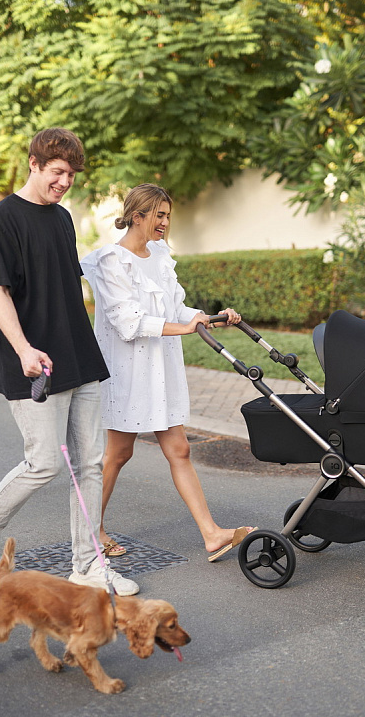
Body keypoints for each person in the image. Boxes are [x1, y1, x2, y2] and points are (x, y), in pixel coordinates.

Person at [0, 128, 139, 596]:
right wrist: (23, 349)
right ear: (33, 163)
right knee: (44, 463)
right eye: (57, 171)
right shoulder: (1, 221)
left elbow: (65, 288)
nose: (65, 182)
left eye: (71, 174)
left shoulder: (62, 218)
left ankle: (87, 565)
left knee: (90, 464)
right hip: (32, 361)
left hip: (78, 356)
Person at [81, 184, 254, 562]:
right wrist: (184, 327)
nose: (165, 223)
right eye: (159, 215)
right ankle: (89, 531)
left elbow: (178, 307)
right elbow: (128, 322)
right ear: (137, 216)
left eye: (168, 216)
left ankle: (211, 535)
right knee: (118, 453)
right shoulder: (112, 261)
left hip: (160, 368)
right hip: (127, 372)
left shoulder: (159, 256)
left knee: (179, 448)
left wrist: (209, 318)